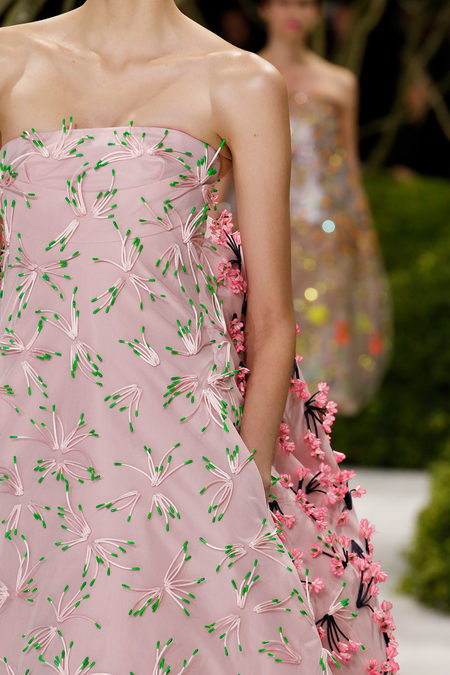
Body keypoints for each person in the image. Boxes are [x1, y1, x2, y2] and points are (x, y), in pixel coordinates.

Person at [0, 0, 398, 672]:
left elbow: (272, 318)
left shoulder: (238, 80)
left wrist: (244, 484)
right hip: (24, 434)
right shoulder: (8, 61)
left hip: (177, 449)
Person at [249, 0, 392, 415]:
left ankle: (315, 431)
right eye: (284, 1)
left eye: (305, 3)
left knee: (323, 321)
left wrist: (360, 229)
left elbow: (347, 163)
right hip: (261, 223)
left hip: (325, 228)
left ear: (317, 12)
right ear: (264, 8)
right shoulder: (241, 76)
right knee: (262, 319)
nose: (294, 12)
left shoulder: (340, 82)